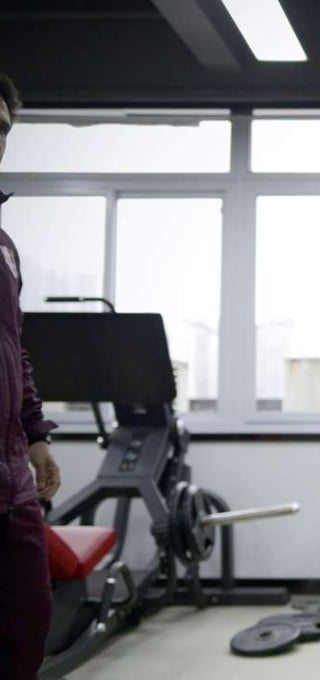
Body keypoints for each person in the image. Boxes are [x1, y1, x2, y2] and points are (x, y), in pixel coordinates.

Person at [0, 70, 62, 680]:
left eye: (2, 129)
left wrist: (37, 433)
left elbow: (14, 351)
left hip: (11, 481)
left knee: (25, 629)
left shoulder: (4, 246)